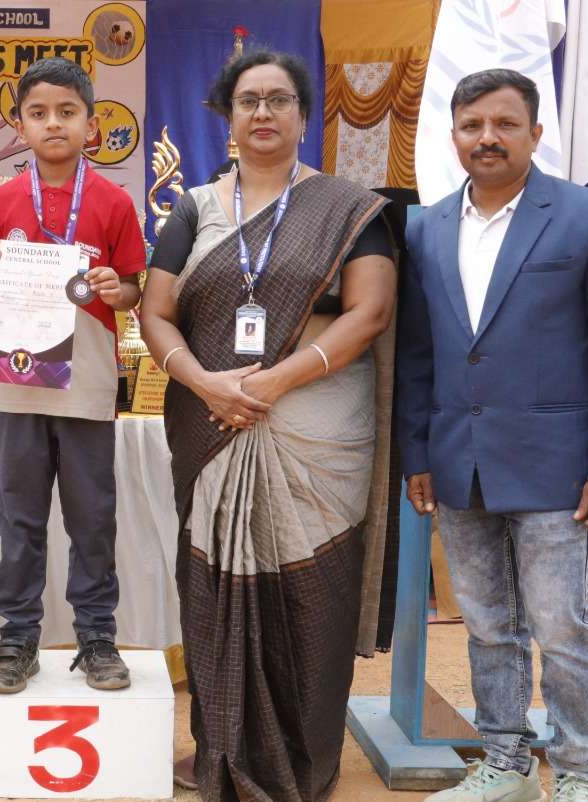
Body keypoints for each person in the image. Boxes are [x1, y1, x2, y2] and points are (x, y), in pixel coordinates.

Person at [139, 48, 399, 802]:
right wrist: (206, 383)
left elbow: (370, 312)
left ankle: (303, 760)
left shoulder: (347, 208)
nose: (262, 112)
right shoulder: (194, 209)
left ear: (302, 116)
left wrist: (274, 381)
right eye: (248, 100)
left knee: (314, 585)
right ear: (227, 119)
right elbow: (155, 312)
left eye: (278, 99)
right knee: (213, 585)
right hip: (212, 419)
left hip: (319, 428)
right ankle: (221, 750)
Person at [398, 69, 588, 802]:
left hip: (558, 468)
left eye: (505, 124)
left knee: (561, 627)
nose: (488, 137)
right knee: (486, 625)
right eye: (472, 125)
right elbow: (419, 355)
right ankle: (505, 764)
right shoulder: (426, 228)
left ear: (536, 134)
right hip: (459, 463)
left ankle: (578, 773)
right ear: (453, 136)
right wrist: (418, 454)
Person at [0, 58, 148, 693]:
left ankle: (96, 636)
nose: (53, 124)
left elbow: (132, 289)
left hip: (87, 384)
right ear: (20, 125)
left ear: (91, 125)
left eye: (67, 112)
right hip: (17, 384)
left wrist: (117, 290)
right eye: (38, 113)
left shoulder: (114, 202)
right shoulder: (0, 202)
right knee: (19, 518)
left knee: (92, 517)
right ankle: (17, 637)